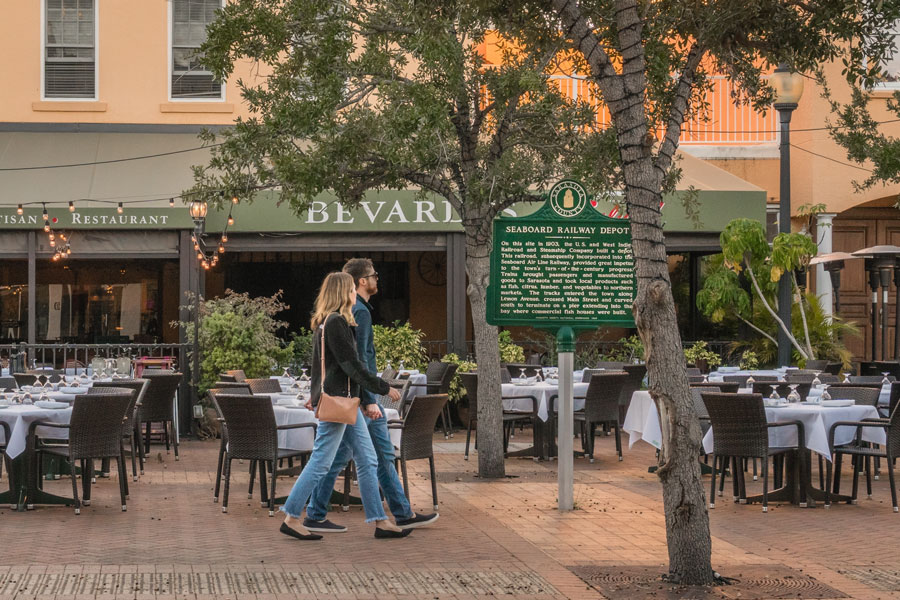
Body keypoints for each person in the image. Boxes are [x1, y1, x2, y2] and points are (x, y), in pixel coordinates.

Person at [304, 259, 439, 533]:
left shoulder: (347, 314)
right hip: (362, 397)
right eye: (374, 275)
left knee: (342, 457)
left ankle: (316, 513)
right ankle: (397, 515)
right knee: (378, 456)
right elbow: (358, 361)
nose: (378, 279)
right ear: (361, 282)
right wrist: (369, 399)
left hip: (357, 396)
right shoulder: (358, 314)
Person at [280, 271, 407, 540]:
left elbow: (323, 367)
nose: (354, 294)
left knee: (367, 459)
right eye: (350, 289)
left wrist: (317, 394)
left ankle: (380, 521)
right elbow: (352, 367)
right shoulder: (336, 322)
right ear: (342, 293)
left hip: (346, 402)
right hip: (340, 403)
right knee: (322, 462)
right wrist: (383, 387)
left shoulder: (329, 323)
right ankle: (292, 516)